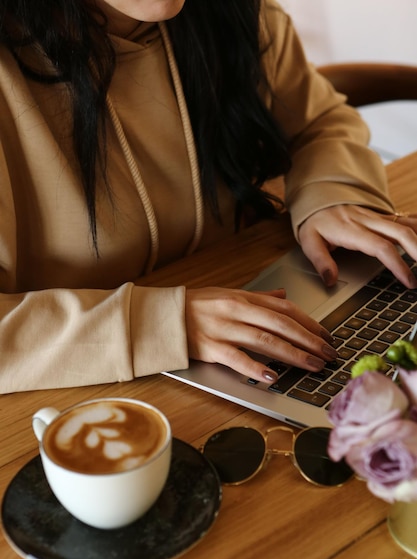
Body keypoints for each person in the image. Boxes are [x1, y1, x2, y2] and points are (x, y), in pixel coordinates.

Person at [0, 0, 416, 395]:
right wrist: (163, 324)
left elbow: (318, 121)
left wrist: (334, 193)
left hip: (257, 323)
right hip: (84, 398)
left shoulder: (235, 12)